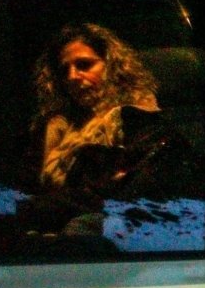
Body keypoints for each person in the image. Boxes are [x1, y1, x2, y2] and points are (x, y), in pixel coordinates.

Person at [31, 23, 160, 192]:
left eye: (84, 65)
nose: (72, 77)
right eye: (64, 71)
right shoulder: (60, 124)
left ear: (111, 65)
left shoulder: (133, 116)